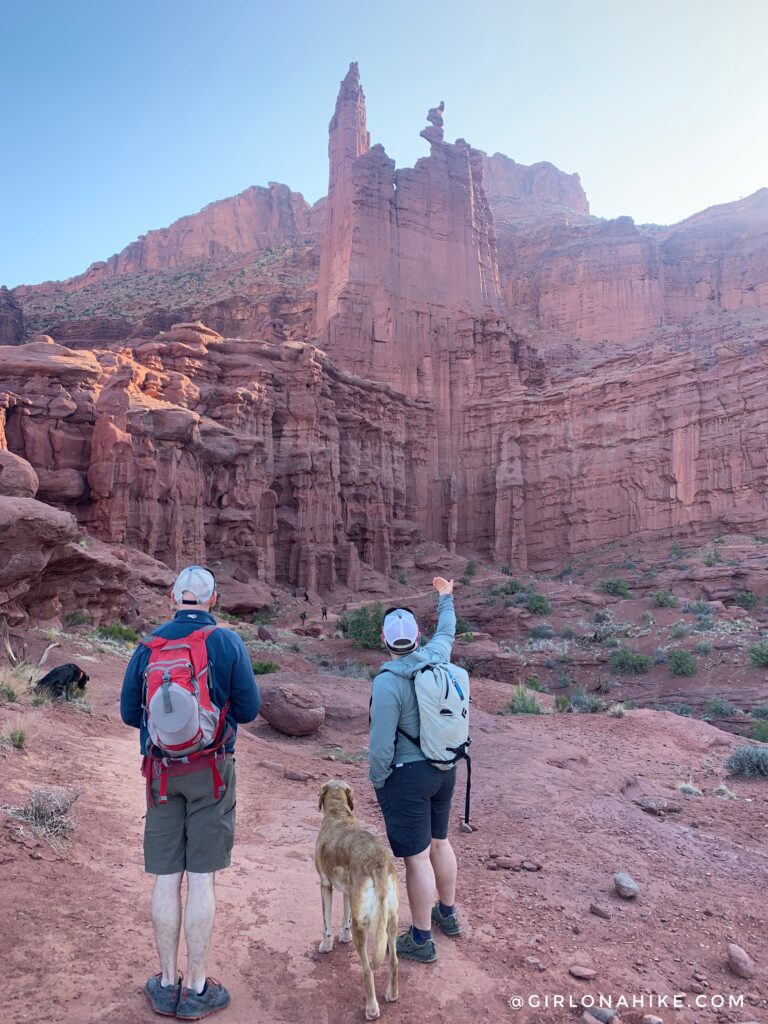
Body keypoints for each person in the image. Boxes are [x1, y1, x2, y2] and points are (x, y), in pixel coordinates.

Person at [120, 565, 261, 1019]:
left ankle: (165, 983)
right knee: (201, 878)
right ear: (213, 599)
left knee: (167, 877)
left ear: (173, 596)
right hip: (212, 773)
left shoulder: (149, 646)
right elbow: (251, 709)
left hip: (161, 774)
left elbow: (128, 713)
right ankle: (197, 989)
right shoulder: (226, 641)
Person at [368, 576, 460, 964]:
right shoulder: (438, 655)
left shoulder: (387, 682)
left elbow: (381, 746)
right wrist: (446, 598)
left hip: (408, 776)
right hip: (446, 766)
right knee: (440, 842)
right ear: (418, 637)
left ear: (385, 641)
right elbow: (448, 631)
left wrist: (378, 779)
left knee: (416, 858)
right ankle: (448, 914)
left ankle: (421, 939)